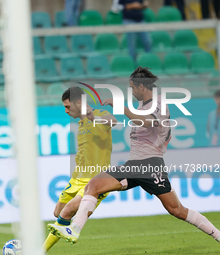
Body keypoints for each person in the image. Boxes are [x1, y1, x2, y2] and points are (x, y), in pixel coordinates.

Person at [48, 67, 220, 246]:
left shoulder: (159, 103)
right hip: (133, 165)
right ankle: (74, 228)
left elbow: (146, 121)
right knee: (94, 184)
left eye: (132, 88)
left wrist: (122, 108)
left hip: (150, 165)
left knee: (177, 210)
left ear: (141, 86)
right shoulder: (142, 106)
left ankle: (217, 234)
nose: (132, 91)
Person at [43, 86, 117, 252]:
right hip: (77, 178)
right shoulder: (80, 123)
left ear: (78, 103)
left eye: (67, 107)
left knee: (68, 211)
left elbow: (113, 121)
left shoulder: (99, 115)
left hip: (96, 181)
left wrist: (93, 118)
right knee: (58, 212)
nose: (66, 111)